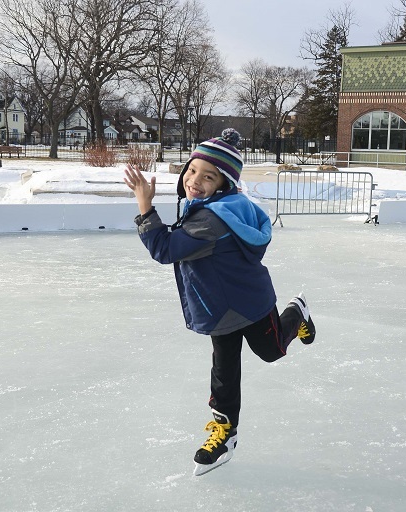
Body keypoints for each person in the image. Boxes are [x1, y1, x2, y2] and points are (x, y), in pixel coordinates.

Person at [123, 129, 317, 477]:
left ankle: (297, 312)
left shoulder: (211, 221)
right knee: (224, 373)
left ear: (223, 185)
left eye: (208, 176)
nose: (195, 181)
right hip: (217, 306)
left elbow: (165, 249)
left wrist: (144, 205)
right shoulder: (212, 207)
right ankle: (225, 433)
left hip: (249, 302)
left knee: (272, 350)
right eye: (192, 171)